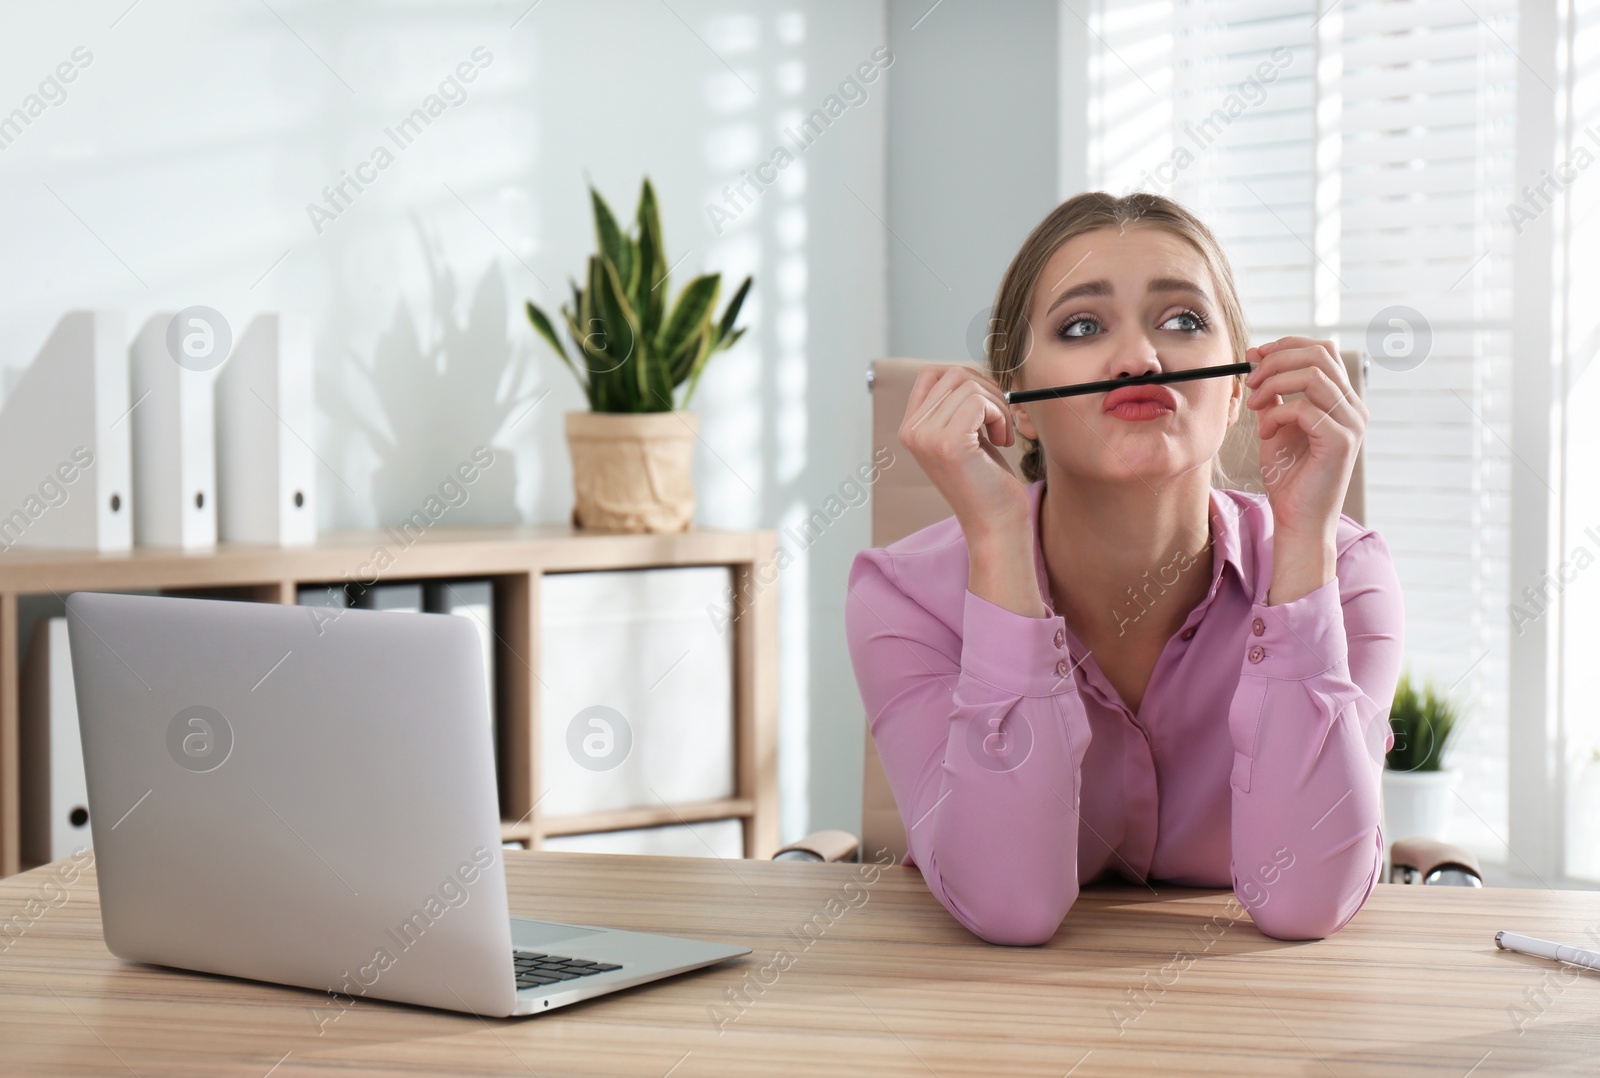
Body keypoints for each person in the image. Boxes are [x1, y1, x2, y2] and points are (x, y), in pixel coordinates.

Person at [844, 191, 1403, 945]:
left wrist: (1303, 544)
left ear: (1238, 386)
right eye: (1082, 326)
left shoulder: (1345, 572)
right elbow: (1010, 906)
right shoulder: (904, 596)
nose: (1141, 359)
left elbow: (1306, 901)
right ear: (1022, 405)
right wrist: (1001, 543)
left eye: (1184, 321)